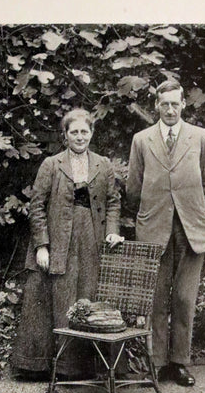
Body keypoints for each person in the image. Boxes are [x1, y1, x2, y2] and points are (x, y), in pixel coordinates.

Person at [11, 108, 122, 379]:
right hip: (60, 241)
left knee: (87, 297)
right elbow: (37, 207)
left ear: (92, 134)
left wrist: (112, 230)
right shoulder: (52, 164)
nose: (80, 137)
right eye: (74, 132)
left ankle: (88, 368)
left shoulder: (103, 165)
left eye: (85, 131)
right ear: (65, 135)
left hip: (92, 242)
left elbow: (112, 202)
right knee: (61, 299)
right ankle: (59, 368)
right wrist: (41, 246)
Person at [126, 80, 205, 386]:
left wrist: (191, 209)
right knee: (155, 299)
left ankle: (179, 362)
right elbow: (133, 188)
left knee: (183, 297)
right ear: (156, 105)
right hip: (154, 227)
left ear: (183, 105)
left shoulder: (200, 137)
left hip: (191, 227)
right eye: (164, 104)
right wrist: (154, 211)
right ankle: (156, 364)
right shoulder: (142, 140)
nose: (169, 110)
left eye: (175, 104)